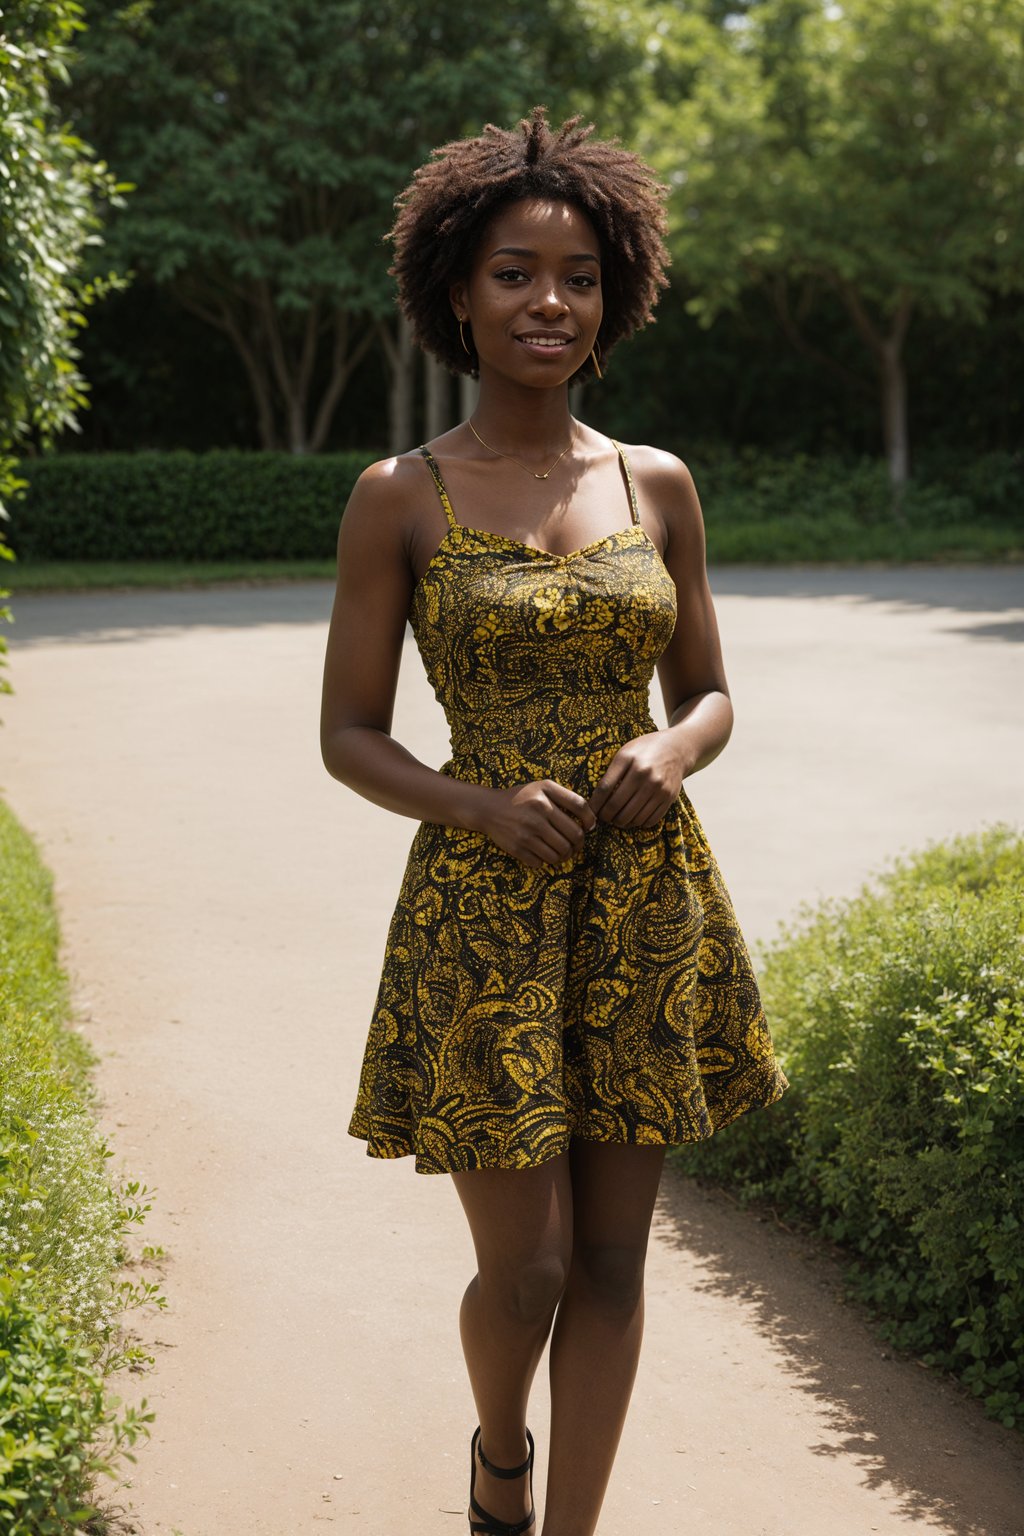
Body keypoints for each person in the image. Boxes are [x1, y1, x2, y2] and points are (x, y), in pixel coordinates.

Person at [320, 107, 789, 1536]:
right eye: (517, 272)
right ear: (457, 289)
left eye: (578, 275)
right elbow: (346, 734)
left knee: (614, 1261)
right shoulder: (401, 494)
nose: (550, 301)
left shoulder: (655, 482)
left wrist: (671, 744)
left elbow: (709, 692)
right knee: (521, 1270)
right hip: (483, 909)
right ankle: (501, 1454)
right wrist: (475, 803)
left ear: (615, 295)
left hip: (644, 903)